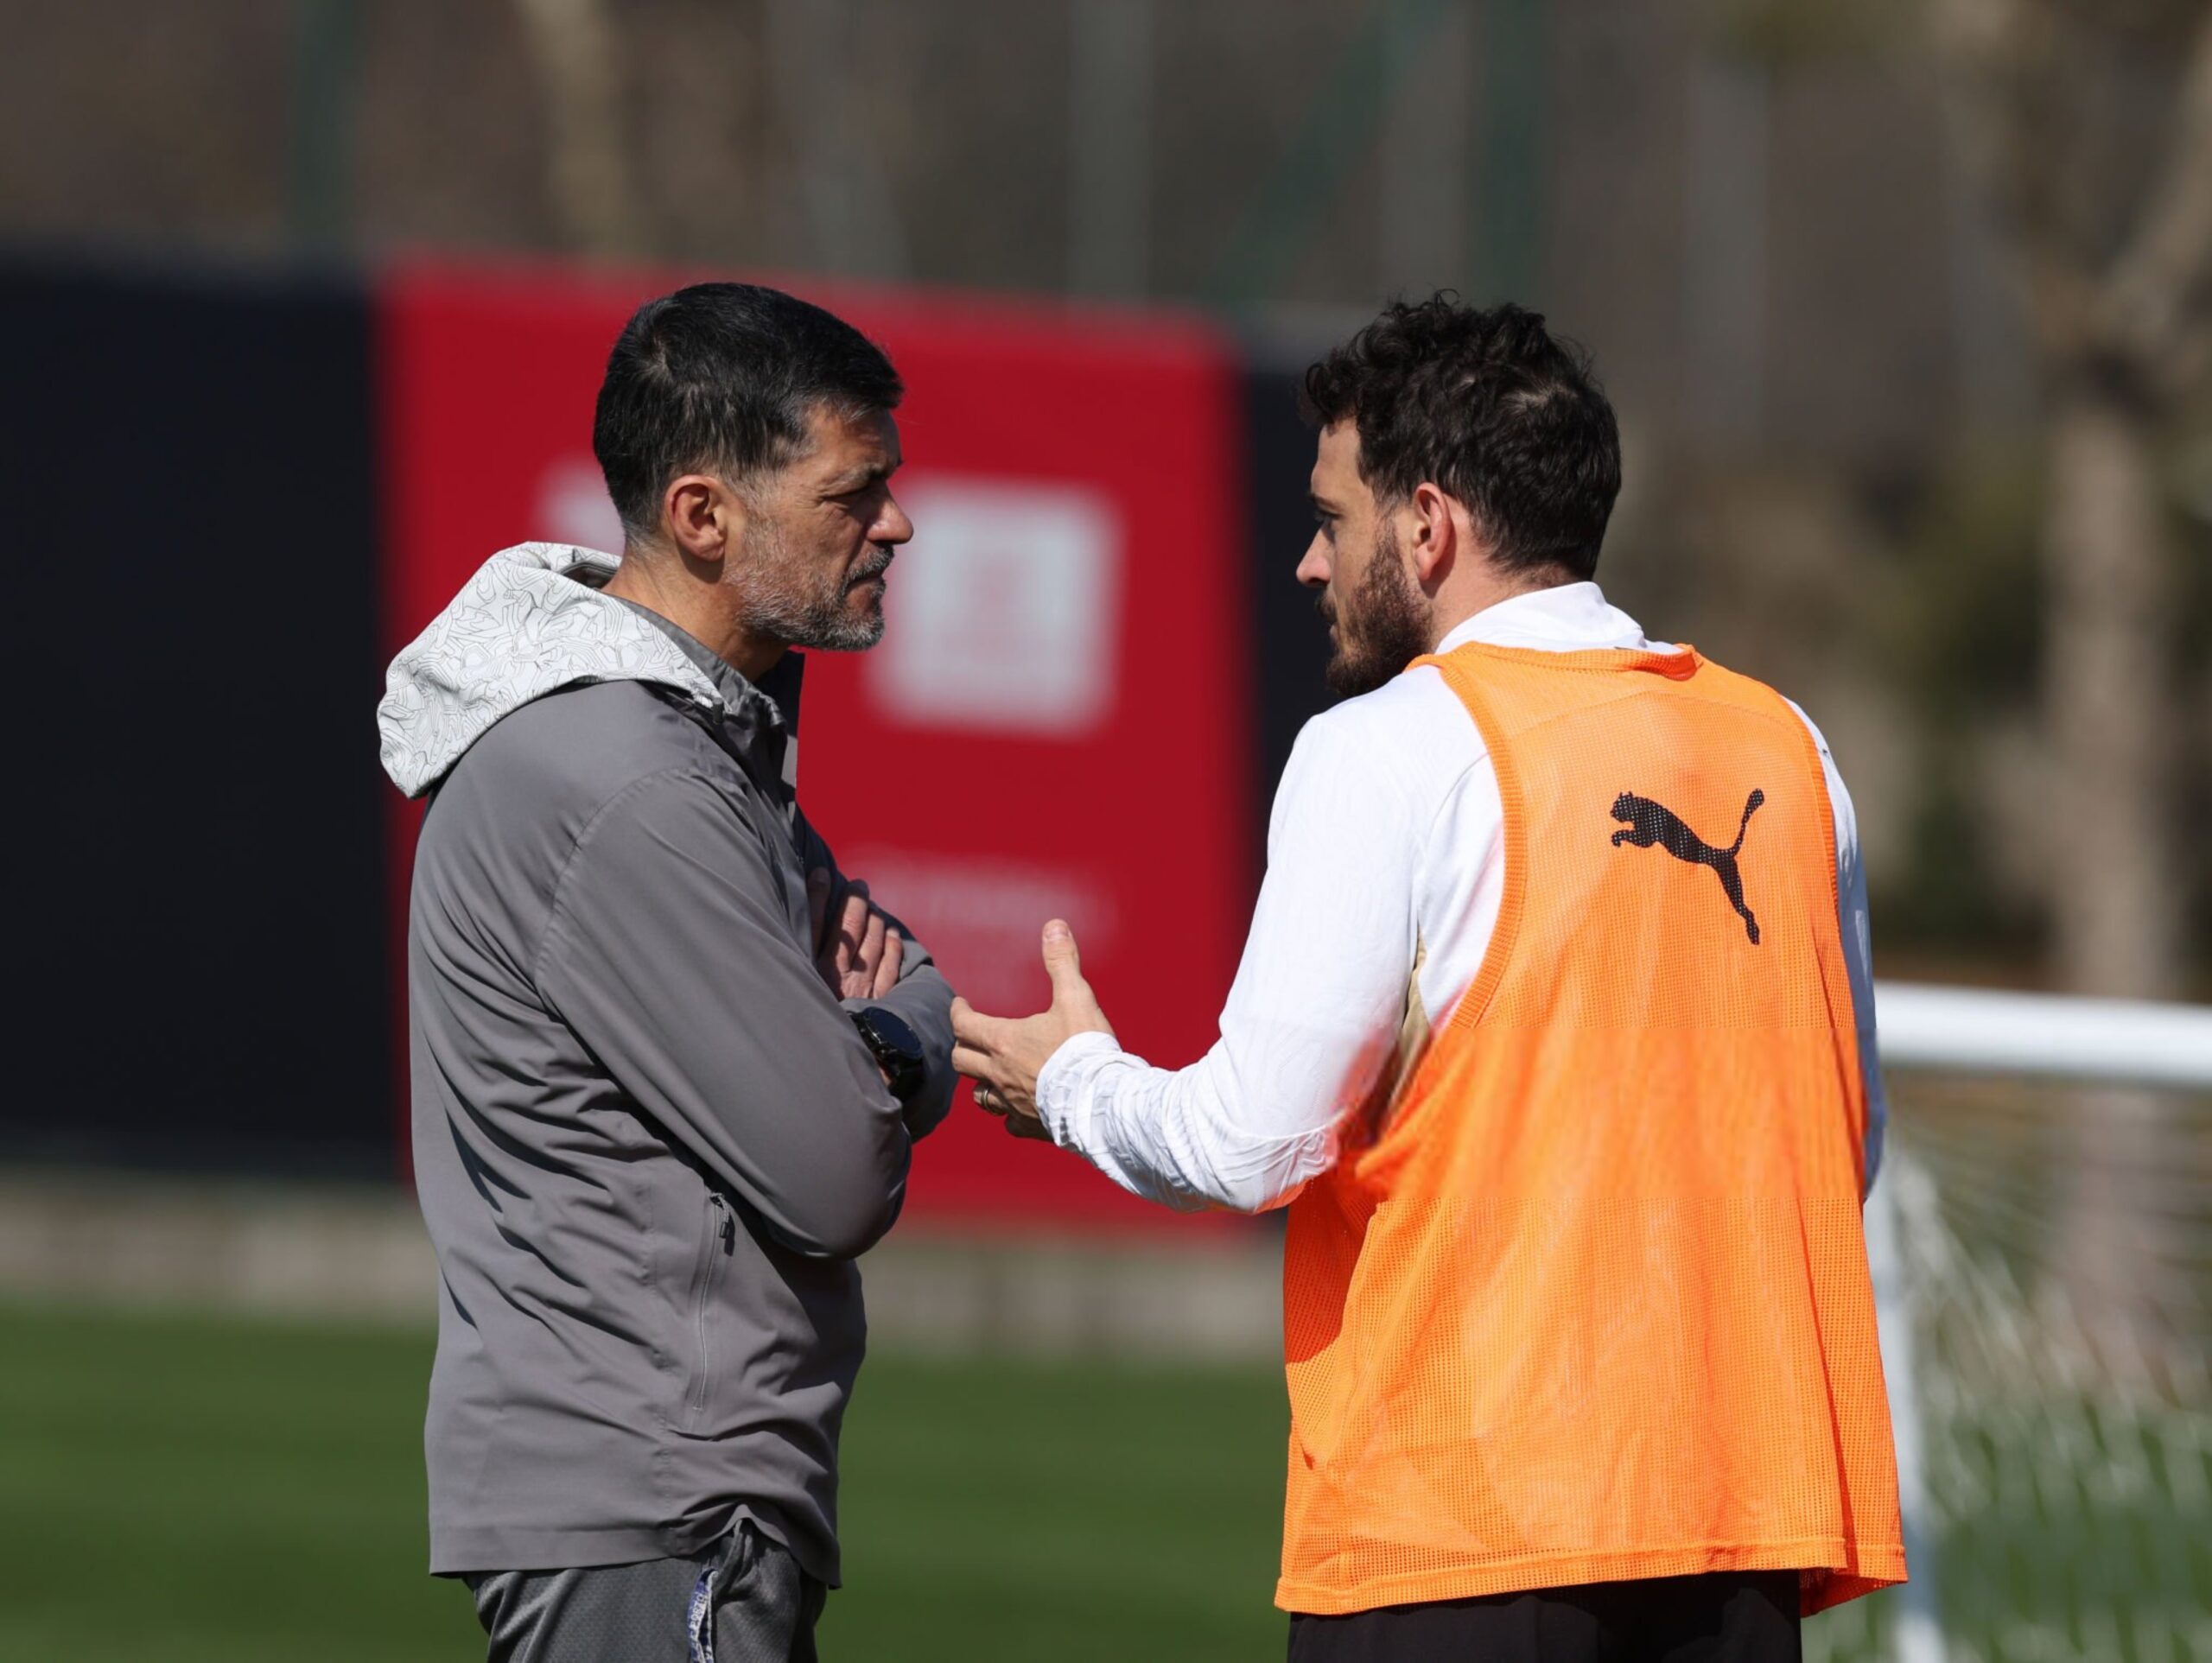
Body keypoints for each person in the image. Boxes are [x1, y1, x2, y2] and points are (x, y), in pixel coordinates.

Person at [952, 297, 1904, 1661]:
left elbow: (1253, 1141)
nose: (1306, 561)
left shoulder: (1390, 748)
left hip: (1458, 1535)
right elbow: (1841, 1138)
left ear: (1428, 527)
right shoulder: (1790, 748)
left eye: (1333, 520)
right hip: (1733, 1534)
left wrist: (1075, 1085)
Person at [377, 282, 958, 1663]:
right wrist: (880, 1046)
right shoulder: (628, 780)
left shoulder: (683, 749)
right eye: (852, 493)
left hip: (660, 1501)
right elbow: (836, 1165)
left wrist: (877, 1027)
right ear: (704, 515)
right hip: (653, 1505)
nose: (898, 523)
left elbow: (906, 968)